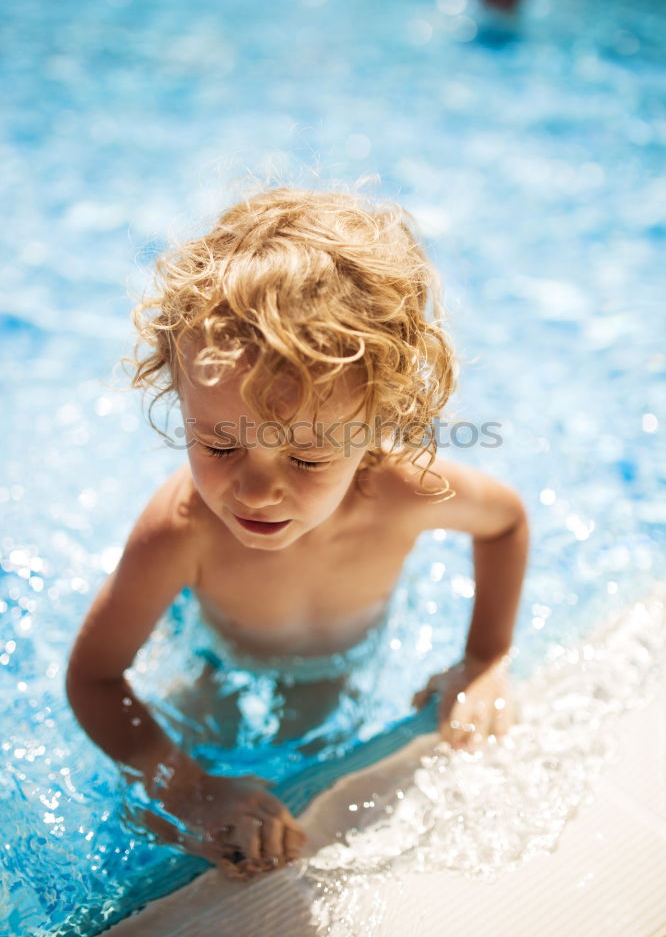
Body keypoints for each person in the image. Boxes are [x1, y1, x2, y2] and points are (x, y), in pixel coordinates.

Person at [66, 186, 529, 881]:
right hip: (217, 658)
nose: (253, 492)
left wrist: (486, 658)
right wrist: (189, 789)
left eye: (308, 459)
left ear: (377, 426)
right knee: (174, 804)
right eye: (218, 446)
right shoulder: (182, 529)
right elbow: (96, 678)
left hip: (337, 667)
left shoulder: (403, 495)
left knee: (317, 773)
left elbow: (506, 523)